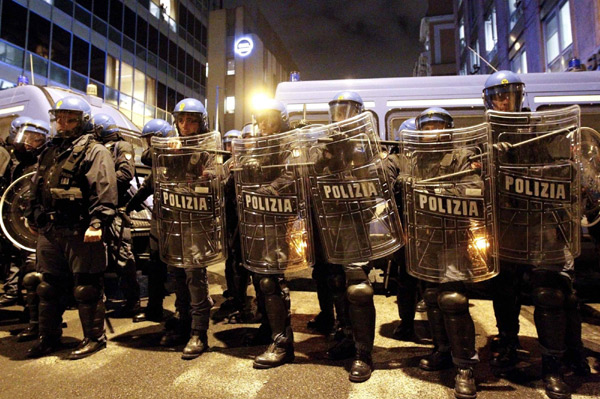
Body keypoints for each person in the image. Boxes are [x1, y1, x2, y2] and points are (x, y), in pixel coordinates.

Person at [484, 70, 589, 399]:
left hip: (541, 226)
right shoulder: (484, 133)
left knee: (549, 294)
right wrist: (486, 160)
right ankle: (509, 344)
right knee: (504, 290)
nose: (504, 100)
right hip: (505, 227)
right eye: (498, 95)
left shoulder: (539, 128)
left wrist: (517, 157)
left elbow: (561, 168)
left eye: (510, 94)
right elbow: (471, 171)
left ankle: (553, 365)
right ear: (488, 100)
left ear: (520, 95)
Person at [25, 96, 117, 359]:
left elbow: (104, 189)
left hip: (80, 229)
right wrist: (34, 217)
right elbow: (36, 185)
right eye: (60, 117)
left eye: (70, 118)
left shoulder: (95, 151)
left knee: (86, 287)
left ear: (83, 121)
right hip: (51, 230)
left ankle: (95, 338)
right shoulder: (51, 150)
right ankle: (49, 337)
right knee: (48, 286)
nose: (63, 123)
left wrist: (98, 222)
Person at [410, 107, 482, 399]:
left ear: (448, 128)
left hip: (453, 236)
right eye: (427, 128)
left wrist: (438, 191)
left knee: (453, 299)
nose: (432, 132)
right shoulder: (415, 159)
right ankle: (441, 349)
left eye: (437, 126)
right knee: (431, 298)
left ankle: (465, 366)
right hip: (426, 237)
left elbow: (475, 189)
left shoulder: (462, 155)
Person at [155, 98, 215, 359]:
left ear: (201, 123)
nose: (186, 125)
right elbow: (149, 156)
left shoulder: (208, 146)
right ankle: (182, 322)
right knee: (176, 274)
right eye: (181, 120)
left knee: (194, 276)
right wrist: (169, 151)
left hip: (197, 222)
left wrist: (203, 175)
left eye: (191, 120)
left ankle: (198, 332)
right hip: (173, 219)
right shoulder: (171, 144)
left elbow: (216, 176)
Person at [239, 99, 297, 368]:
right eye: (261, 120)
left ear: (281, 120)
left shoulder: (288, 144)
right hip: (254, 220)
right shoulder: (257, 146)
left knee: (270, 281)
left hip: (275, 220)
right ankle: (267, 327)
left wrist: (267, 190)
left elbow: (292, 176)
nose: (264, 125)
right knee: (257, 275)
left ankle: (282, 343)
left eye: (270, 120)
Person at [126, 119, 175, 324]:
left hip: (177, 218)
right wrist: (127, 207)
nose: (148, 146)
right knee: (155, 264)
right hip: (160, 217)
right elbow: (147, 186)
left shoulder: (175, 155)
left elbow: (147, 158)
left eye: (151, 140)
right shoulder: (159, 161)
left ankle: (186, 313)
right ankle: (154, 308)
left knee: (179, 268)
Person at [92, 113, 141, 318]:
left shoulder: (121, 146)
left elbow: (125, 174)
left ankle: (133, 300)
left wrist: (102, 186)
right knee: (95, 258)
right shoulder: (97, 149)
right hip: (98, 208)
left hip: (116, 209)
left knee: (122, 257)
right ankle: (96, 300)